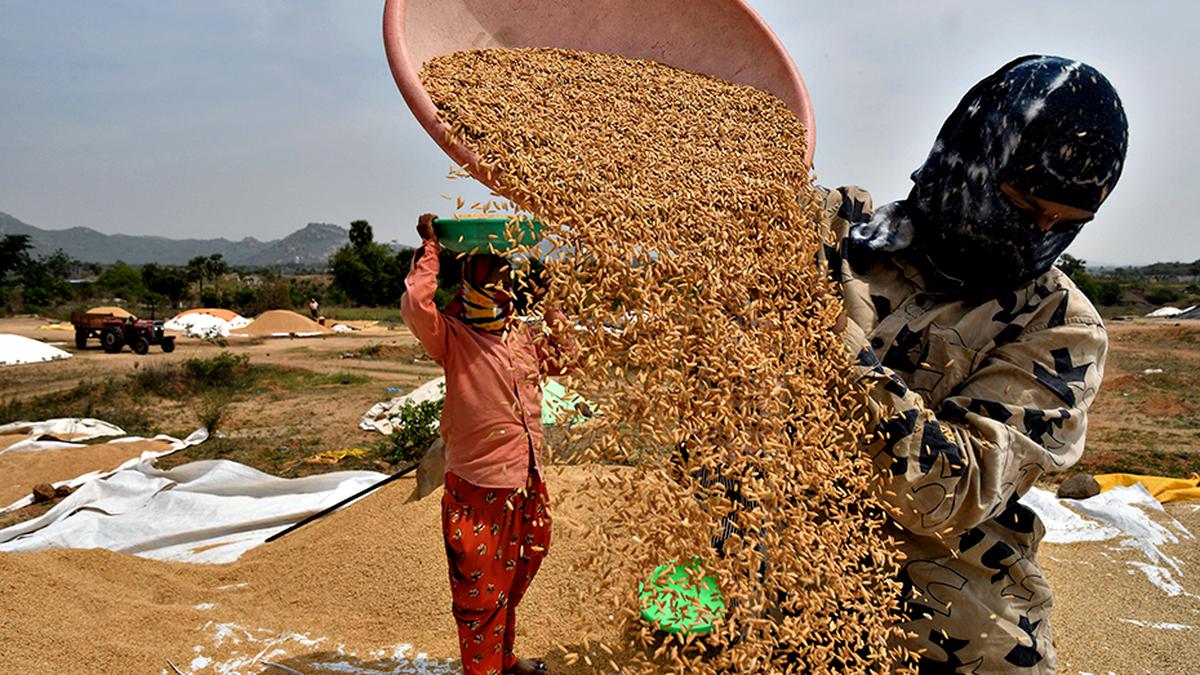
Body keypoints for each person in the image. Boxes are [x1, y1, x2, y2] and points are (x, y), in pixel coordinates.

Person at [824, 55, 1128, 671]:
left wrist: (836, 347)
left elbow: (950, 493)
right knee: (666, 620)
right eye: (1021, 202)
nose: (1036, 234)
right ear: (967, 161)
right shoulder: (831, 233)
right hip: (756, 552)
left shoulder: (1060, 325)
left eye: (1065, 223)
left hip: (937, 612)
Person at [401, 213, 571, 675]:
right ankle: (485, 670)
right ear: (470, 281)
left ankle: (505, 657)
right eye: (491, 274)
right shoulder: (453, 336)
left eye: (506, 274)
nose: (502, 283)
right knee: (479, 593)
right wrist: (431, 250)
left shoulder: (521, 334)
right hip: (479, 486)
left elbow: (567, 357)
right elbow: (417, 305)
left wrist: (550, 300)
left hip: (526, 478)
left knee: (515, 574)